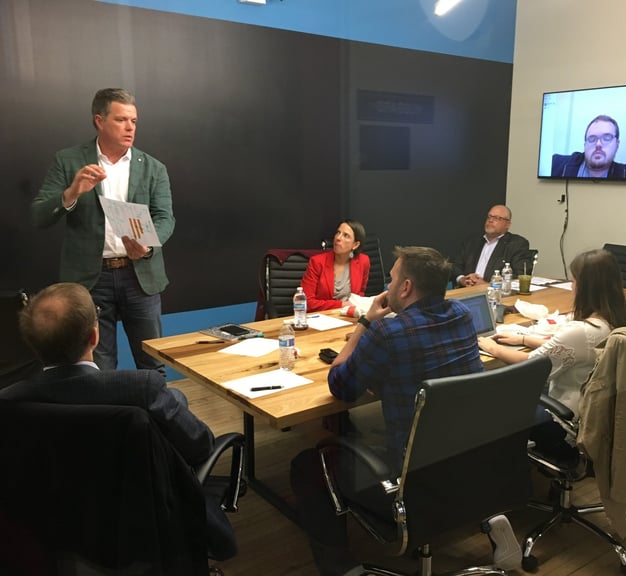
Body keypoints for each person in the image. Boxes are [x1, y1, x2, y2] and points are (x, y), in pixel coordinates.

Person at [0, 282, 236, 560]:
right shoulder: (141, 389)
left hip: (54, 523)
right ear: (94, 336)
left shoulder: (10, 400)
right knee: (175, 400)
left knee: (176, 397)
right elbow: (201, 446)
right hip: (144, 517)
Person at [290, 246, 484, 576]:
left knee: (307, 465)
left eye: (392, 279)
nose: (388, 285)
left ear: (406, 287)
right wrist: (385, 377)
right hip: (465, 463)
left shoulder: (387, 332)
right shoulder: (463, 314)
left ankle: (340, 567)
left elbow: (340, 385)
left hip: (411, 479)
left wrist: (365, 323)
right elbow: (432, 366)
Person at [31, 88, 175, 374]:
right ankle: (113, 419)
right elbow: (39, 216)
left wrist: (147, 247)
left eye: (134, 121)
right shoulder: (68, 160)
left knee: (153, 363)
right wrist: (71, 192)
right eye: (121, 120)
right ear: (100, 120)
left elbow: (165, 218)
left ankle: (155, 419)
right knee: (99, 366)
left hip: (140, 276)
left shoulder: (154, 168)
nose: (130, 127)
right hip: (90, 279)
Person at [478, 249, 626, 456]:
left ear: (585, 288)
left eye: (574, 281)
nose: (572, 287)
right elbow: (568, 348)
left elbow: (531, 365)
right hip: (599, 414)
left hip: (565, 419)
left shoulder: (580, 331)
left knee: (494, 400)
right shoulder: (619, 321)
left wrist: (492, 347)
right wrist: (524, 339)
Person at [551, 115, 626, 180]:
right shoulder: (556, 164)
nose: (598, 144)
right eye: (592, 138)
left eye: (606, 138)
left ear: (617, 144)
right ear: (585, 144)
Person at [451, 205, 530, 286]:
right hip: (466, 291)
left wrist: (488, 285)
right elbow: (456, 266)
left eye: (497, 218)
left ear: (507, 224)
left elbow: (519, 276)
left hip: (495, 294)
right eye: (489, 216)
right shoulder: (472, 241)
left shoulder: (517, 244)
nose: (491, 220)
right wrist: (462, 279)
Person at [301, 220, 370, 312]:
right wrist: (341, 305)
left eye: (346, 235)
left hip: (349, 316)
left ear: (355, 245)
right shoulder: (317, 262)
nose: (338, 238)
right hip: (322, 317)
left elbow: (360, 293)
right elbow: (307, 302)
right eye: (338, 233)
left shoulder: (363, 261)